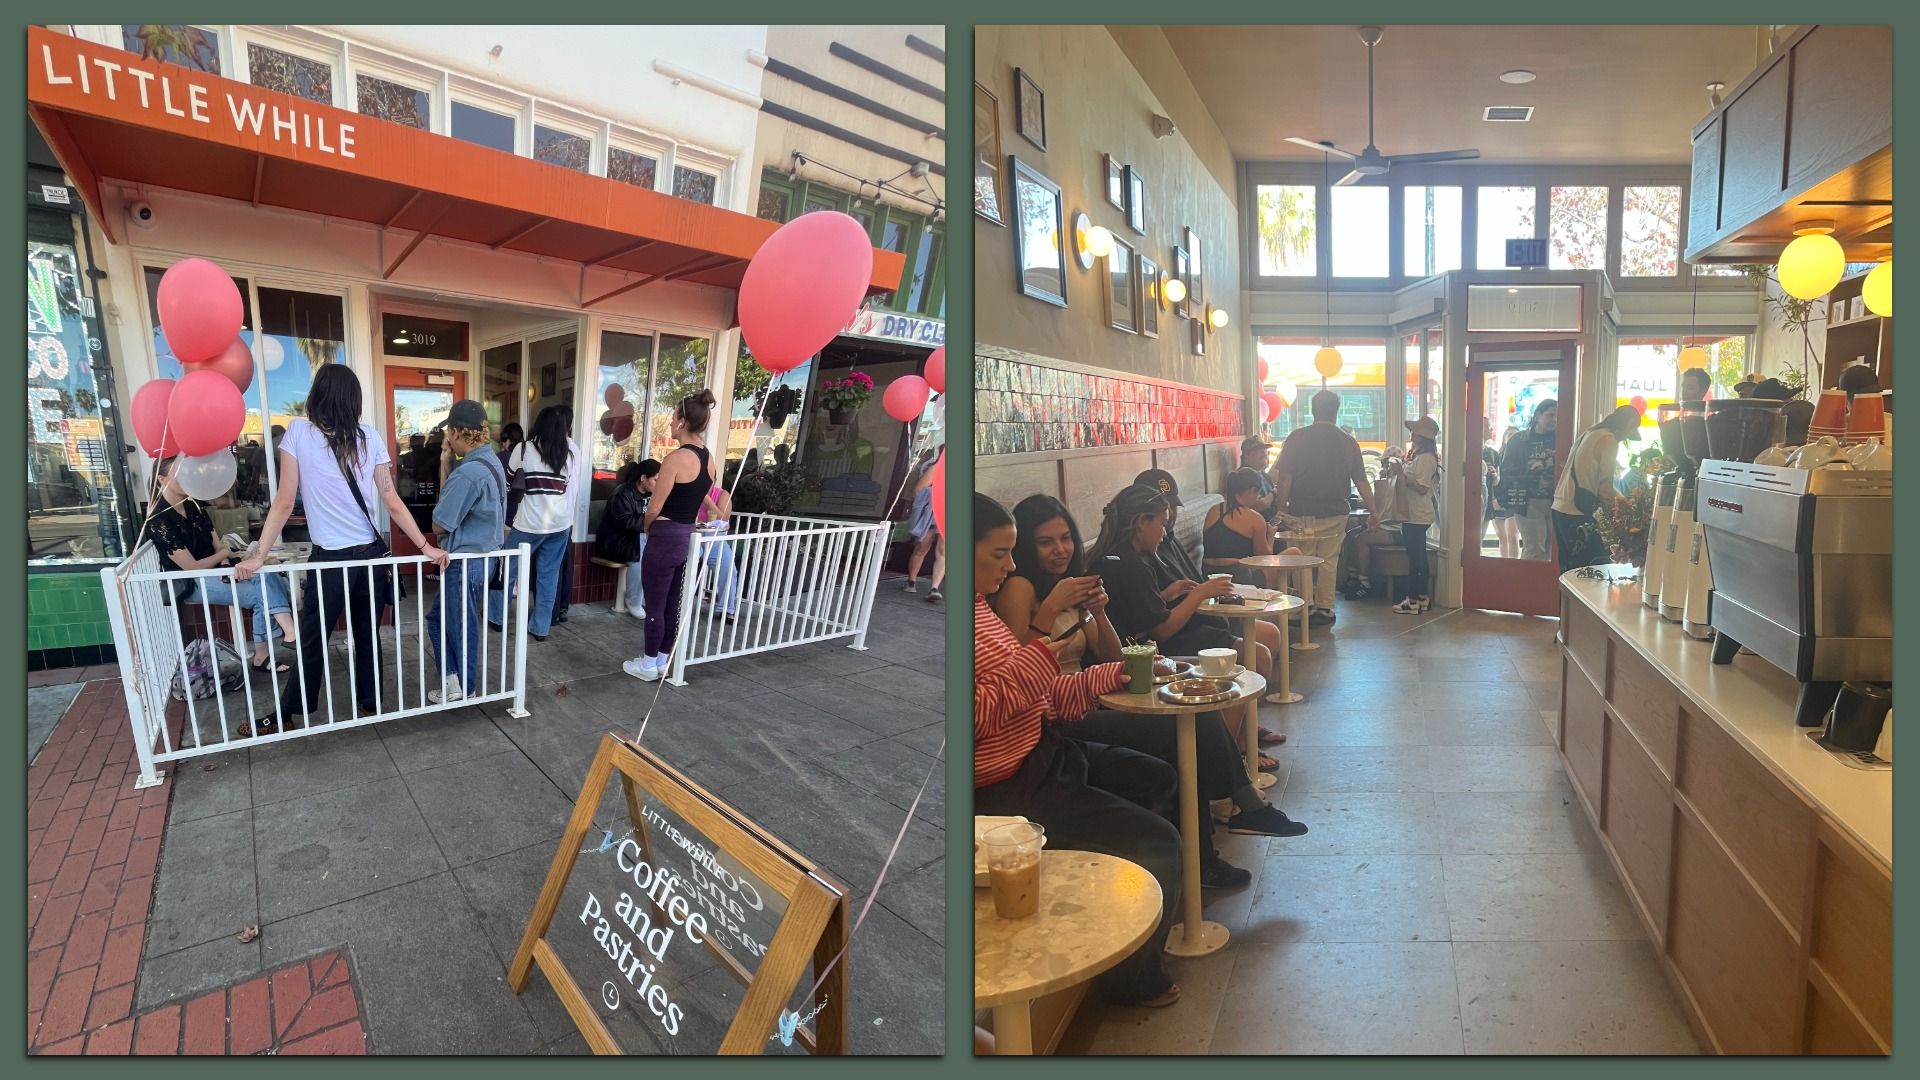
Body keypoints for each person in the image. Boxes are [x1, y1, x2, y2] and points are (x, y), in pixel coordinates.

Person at [989, 495, 1304, 842]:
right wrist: (1050, 609)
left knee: (1194, 709)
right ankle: (1236, 814)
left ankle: (1228, 822)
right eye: (1045, 542)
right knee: (1181, 724)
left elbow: (1109, 657)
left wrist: (1099, 612)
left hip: (1087, 693)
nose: (1060, 549)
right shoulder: (1021, 589)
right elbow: (1017, 666)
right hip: (1054, 712)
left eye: (1065, 538)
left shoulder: (1069, 584)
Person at [972, 493, 1184, 1009]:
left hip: (1046, 753)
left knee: (1156, 777)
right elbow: (980, 714)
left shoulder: (982, 611)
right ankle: (1130, 979)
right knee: (1158, 840)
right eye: (1000, 554)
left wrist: (1124, 672)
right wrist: (1044, 638)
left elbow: (1044, 699)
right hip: (1011, 790)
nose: (1012, 564)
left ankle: (1127, 915)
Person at [236, 365, 449, 726]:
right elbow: (391, 499)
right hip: (369, 556)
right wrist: (424, 547)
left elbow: (285, 502)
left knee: (312, 639)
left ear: (317, 395)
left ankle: (291, 712)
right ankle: (370, 701)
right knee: (366, 633)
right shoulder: (369, 436)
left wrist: (259, 555)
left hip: (330, 561)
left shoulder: (298, 433)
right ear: (354, 399)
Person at [1091, 485, 1282, 763]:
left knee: (1245, 656)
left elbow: (1139, 611)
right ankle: (1222, 764)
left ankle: (1237, 741)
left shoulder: (1114, 556)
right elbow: (1162, 629)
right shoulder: (1132, 565)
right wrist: (1199, 594)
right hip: (1140, 660)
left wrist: (1169, 595)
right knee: (1237, 669)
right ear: (1142, 522)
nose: (1165, 532)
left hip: (1137, 651)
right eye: (1162, 523)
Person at [150, 455, 295, 674]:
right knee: (262, 594)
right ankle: (271, 647)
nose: (188, 477)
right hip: (190, 583)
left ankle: (283, 638)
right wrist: (225, 555)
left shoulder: (193, 507)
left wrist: (226, 566)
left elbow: (217, 543)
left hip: (215, 573)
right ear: (161, 480)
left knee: (265, 573)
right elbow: (192, 567)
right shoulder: (158, 520)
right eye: (180, 473)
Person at [624, 389, 719, 681]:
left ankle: (649, 663)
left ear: (681, 421)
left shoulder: (676, 459)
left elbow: (655, 505)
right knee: (672, 601)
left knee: (655, 602)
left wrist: (648, 526)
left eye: (672, 417)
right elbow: (702, 496)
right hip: (687, 536)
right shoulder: (709, 459)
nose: (668, 423)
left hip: (665, 535)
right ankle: (663, 659)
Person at [1268, 390, 1377, 627]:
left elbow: (1285, 478)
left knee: (1301, 560)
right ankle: (1325, 608)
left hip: (1301, 512)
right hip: (1336, 512)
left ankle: (1304, 606)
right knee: (1328, 560)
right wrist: (1374, 511)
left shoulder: (1296, 437)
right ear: (1336, 412)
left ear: (1312, 410)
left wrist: (1281, 510)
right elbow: (1361, 481)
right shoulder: (1349, 442)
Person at [426, 401, 505, 704]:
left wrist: (449, 468)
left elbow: (439, 524)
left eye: (449, 430)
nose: (447, 436)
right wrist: (446, 463)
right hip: (484, 560)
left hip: (464, 561)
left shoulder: (469, 473)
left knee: (460, 627)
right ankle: (454, 682)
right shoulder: (490, 463)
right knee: (445, 621)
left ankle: (463, 687)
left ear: (459, 431)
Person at [488, 406, 581, 642]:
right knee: (548, 577)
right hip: (559, 525)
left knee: (507, 570)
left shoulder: (524, 448)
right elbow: (565, 488)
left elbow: (507, 482)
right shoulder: (567, 455)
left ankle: (497, 618)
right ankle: (540, 628)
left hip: (528, 523)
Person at [1552, 404, 1642, 572]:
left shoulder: (1590, 433)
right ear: (1629, 424)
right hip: (1577, 512)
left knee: (1567, 571)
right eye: (1631, 431)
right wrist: (1626, 511)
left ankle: (1562, 600)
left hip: (1560, 508)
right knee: (1589, 571)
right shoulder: (1609, 440)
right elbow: (1605, 488)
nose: (1627, 437)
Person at [594, 460, 659, 619]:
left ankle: (645, 597)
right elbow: (626, 523)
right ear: (643, 477)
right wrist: (651, 521)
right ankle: (633, 600)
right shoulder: (622, 493)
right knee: (641, 549)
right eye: (656, 479)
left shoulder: (652, 495)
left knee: (656, 550)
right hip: (615, 541)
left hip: (634, 540)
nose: (658, 484)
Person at [1390, 417, 1441, 613]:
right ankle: (1421, 597)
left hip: (1417, 514)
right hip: (1414, 513)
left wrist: (1402, 475)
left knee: (1415, 558)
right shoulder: (1420, 456)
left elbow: (1421, 487)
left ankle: (1413, 600)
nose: (1412, 435)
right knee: (1418, 556)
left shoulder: (1426, 458)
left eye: (1415, 432)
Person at [1498, 399, 1560, 562]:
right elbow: (1507, 471)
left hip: (1556, 501)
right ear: (1538, 415)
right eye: (1550, 415)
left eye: (1557, 416)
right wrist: (1529, 471)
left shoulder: (1562, 439)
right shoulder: (1518, 440)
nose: (1554, 420)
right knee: (1534, 550)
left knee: (1551, 551)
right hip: (1529, 499)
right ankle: (1529, 586)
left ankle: (1542, 586)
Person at [1201, 468, 1277, 585]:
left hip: (1208, 577)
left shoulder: (1214, 510)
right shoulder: (1255, 519)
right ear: (1251, 490)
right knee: (1293, 552)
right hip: (1239, 579)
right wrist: (1270, 536)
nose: (1257, 499)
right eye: (1257, 494)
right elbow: (1264, 560)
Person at [902, 449, 945, 602]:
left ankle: (934, 588)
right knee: (922, 548)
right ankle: (911, 580)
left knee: (943, 551)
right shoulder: (937, 468)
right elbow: (918, 490)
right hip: (932, 513)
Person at [1481, 418, 1518, 559]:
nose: (1491, 430)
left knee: (1512, 536)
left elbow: (1496, 481)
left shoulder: (1493, 454)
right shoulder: (1499, 454)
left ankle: (1511, 567)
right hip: (1491, 499)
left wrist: (1495, 475)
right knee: (1502, 536)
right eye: (1488, 427)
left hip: (1503, 499)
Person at [1237, 436, 1277, 515]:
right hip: (1254, 524)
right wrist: (1274, 493)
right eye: (1259, 450)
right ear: (1247, 454)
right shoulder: (1242, 477)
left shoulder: (1265, 476)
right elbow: (1257, 506)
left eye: (1265, 450)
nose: (1265, 453)